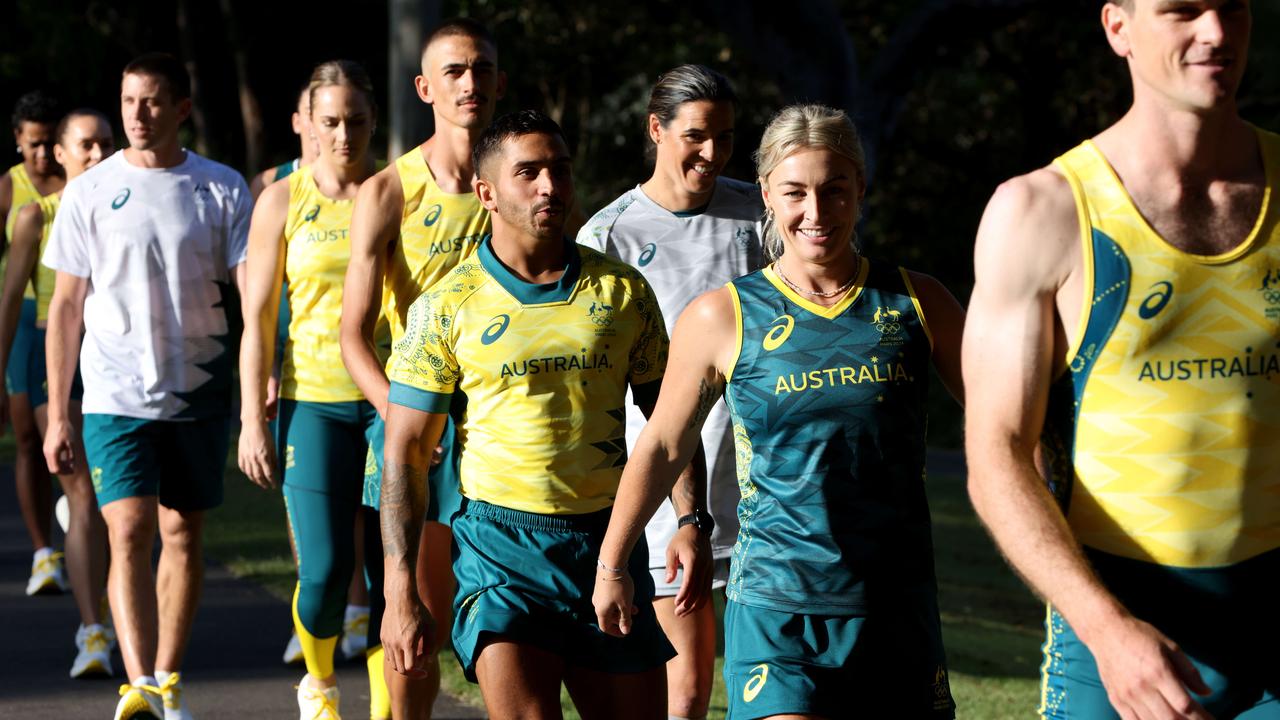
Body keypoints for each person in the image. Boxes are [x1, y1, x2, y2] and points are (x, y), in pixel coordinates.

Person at [593, 104, 966, 720]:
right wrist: (613, 565)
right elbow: (661, 445)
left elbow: (1005, 417)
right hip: (776, 604)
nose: (815, 214)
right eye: (795, 192)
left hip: (895, 603)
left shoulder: (915, 301)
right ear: (766, 192)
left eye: (834, 191)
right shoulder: (723, 315)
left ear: (861, 190)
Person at [963, 3, 1279, 719]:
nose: (1218, 33)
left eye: (1232, 7)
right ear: (1117, 28)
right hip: (1120, 645)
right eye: (1182, 11)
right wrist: (1106, 632)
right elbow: (996, 457)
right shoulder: (1043, 212)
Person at [381, 109, 683, 719]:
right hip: (501, 548)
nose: (551, 186)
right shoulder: (445, 306)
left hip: (608, 538)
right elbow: (405, 454)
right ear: (486, 191)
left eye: (560, 170)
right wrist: (399, 588)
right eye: (530, 172)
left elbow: (669, 425)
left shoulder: (624, 292)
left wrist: (691, 519)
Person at [42, 52, 251, 720]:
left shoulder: (220, 188)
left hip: (198, 389)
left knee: (183, 534)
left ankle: (168, 675)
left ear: (181, 109)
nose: (137, 113)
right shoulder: (89, 191)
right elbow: (67, 309)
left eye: (153, 101)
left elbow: (251, 299)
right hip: (113, 394)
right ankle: (140, 687)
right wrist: (58, 414)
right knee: (128, 529)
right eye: (129, 99)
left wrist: (258, 386)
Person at [577, 63, 761, 720]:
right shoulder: (608, 235)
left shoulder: (764, 215)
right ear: (657, 129)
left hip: (766, 497)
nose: (712, 153)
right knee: (683, 695)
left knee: (764, 690)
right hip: (663, 496)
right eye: (696, 135)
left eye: (726, 136)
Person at [340, 17, 503, 719]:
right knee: (417, 621)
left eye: (483, 70)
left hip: (507, 426)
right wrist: (402, 414)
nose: (471, 84)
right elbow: (353, 336)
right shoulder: (388, 191)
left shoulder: (526, 179)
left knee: (506, 620)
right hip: (418, 427)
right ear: (425, 86)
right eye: (456, 71)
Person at [238, 59, 381, 720]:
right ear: (310, 126)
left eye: (355, 120)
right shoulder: (281, 200)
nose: (344, 134)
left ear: (372, 120)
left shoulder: (397, 191)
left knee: (389, 574)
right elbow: (258, 319)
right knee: (323, 573)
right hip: (312, 401)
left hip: (391, 405)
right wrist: (250, 420)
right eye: (331, 121)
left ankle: (386, 708)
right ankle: (320, 684)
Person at [0, 107, 114, 678]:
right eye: (85, 148)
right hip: (57, 354)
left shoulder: (128, 204)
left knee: (123, 506)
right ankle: (92, 630)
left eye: (104, 147)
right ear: (63, 155)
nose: (97, 158)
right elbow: (9, 297)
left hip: (121, 361)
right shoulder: (34, 215)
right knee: (85, 492)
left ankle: (120, 612)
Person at [1, 90, 67, 597]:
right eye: (34, 145)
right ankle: (44, 550)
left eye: (50, 144)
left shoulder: (78, 182)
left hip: (65, 313)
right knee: (27, 438)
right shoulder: (9, 188)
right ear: (19, 141)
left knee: (62, 441)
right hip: (22, 314)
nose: (42, 155)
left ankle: (77, 521)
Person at [249, 84, 318, 200]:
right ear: (296, 122)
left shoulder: (357, 183)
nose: (318, 123)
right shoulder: (266, 183)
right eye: (310, 113)